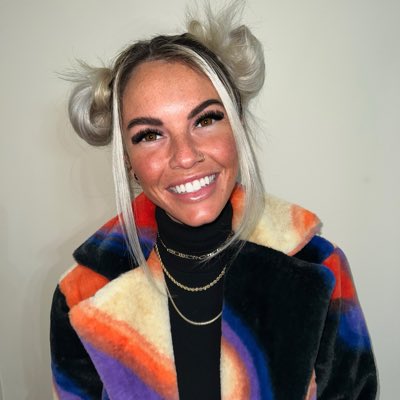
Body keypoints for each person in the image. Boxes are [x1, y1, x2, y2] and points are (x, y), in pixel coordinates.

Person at [50, 4, 377, 400]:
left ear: (237, 128)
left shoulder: (318, 267)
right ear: (128, 161)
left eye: (205, 120)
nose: (185, 156)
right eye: (150, 135)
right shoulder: (82, 293)